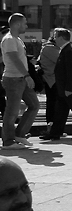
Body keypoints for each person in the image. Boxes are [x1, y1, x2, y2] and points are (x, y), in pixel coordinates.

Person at [40, 29, 72, 141]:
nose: (54, 39)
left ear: (61, 38)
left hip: (69, 89)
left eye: (55, 37)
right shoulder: (65, 50)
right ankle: (54, 133)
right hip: (64, 88)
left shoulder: (68, 51)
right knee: (60, 111)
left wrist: (68, 88)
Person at [1, 13, 40, 149]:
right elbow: (14, 59)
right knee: (12, 111)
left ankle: (19, 134)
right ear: (17, 24)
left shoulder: (17, 39)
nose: (26, 26)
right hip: (13, 79)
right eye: (25, 23)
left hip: (21, 78)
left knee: (34, 105)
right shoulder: (9, 39)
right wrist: (27, 76)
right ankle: (8, 141)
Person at [38, 33, 60, 126]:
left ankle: (52, 126)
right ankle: (52, 126)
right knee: (53, 103)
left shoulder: (47, 48)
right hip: (52, 79)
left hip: (50, 79)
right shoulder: (50, 48)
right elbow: (61, 60)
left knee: (52, 102)